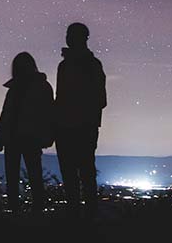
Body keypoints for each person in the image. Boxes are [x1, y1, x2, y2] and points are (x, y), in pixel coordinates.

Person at [55, 22, 107, 219]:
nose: (67, 38)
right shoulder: (68, 65)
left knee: (80, 171)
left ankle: (82, 215)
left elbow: (100, 100)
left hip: (80, 126)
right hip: (77, 126)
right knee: (79, 171)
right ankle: (79, 214)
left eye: (71, 35)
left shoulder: (88, 65)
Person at [0, 52, 54, 215]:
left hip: (21, 137)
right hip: (25, 137)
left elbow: (6, 115)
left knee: (19, 176)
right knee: (32, 174)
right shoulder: (41, 87)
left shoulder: (18, 89)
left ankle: (21, 210)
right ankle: (34, 210)